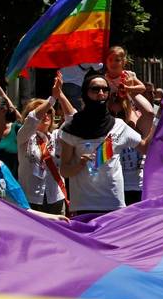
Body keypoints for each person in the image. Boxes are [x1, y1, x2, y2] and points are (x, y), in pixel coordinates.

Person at [59, 72, 154, 215]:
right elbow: (64, 170)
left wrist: (158, 120)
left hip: (114, 203)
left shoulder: (119, 125)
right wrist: (80, 165)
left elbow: (146, 148)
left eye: (105, 89)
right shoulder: (71, 128)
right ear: (85, 92)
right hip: (84, 205)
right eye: (95, 89)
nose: (101, 93)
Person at [16, 72, 76, 215]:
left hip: (55, 198)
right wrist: (50, 100)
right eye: (42, 112)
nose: (46, 115)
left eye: (49, 111)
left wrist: (60, 95)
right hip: (29, 199)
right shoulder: (24, 137)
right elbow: (31, 119)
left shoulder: (56, 136)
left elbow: (73, 119)